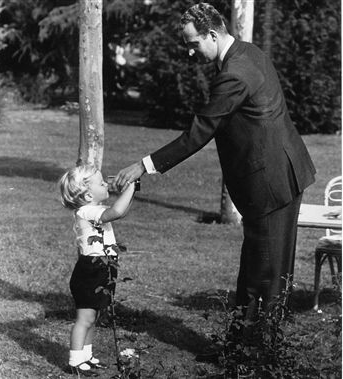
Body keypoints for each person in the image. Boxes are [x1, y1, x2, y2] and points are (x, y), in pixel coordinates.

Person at [112, 3, 316, 327]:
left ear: (211, 34)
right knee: (254, 270)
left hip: (274, 183)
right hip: (273, 177)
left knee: (268, 276)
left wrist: (142, 165)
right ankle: (238, 351)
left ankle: (261, 359)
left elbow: (199, 132)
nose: (191, 53)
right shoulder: (247, 53)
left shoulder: (235, 73)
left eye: (193, 44)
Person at [59, 165, 136, 376]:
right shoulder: (86, 211)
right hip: (90, 270)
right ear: (88, 194)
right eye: (101, 182)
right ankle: (75, 361)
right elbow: (117, 212)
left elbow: (122, 210)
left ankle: (87, 356)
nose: (106, 184)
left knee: (93, 316)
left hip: (102, 267)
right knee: (85, 318)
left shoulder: (96, 209)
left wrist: (130, 192)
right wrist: (130, 187)